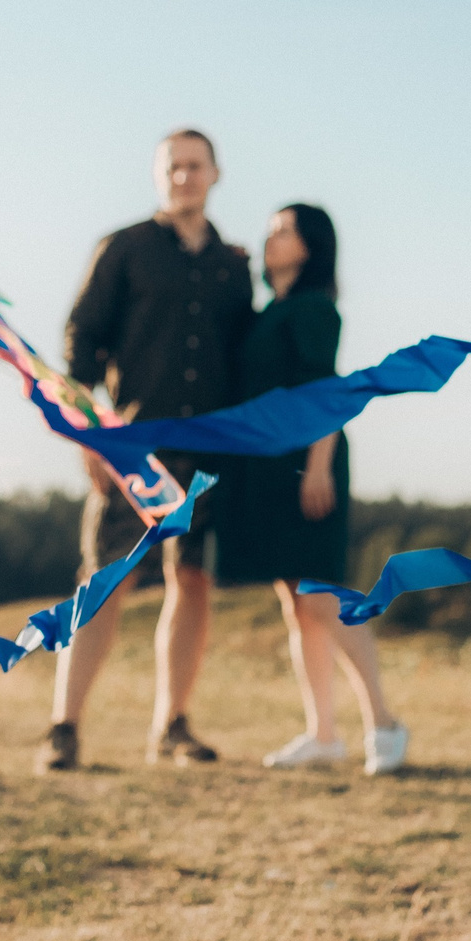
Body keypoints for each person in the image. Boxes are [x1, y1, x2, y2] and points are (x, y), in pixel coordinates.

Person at [36, 129, 256, 773]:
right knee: (104, 582)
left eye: (195, 166)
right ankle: (63, 728)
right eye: (173, 167)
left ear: (216, 172)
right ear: (159, 176)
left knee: (192, 582)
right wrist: (89, 435)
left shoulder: (233, 265)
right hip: (132, 446)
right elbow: (81, 338)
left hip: (210, 452)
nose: (184, 177)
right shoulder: (124, 248)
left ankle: (173, 726)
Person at [216, 204, 408, 775]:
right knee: (297, 606)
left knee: (323, 597)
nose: (270, 237)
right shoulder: (270, 311)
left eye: (283, 231)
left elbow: (326, 392)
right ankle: (323, 734)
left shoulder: (315, 310)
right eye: (270, 229)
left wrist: (319, 465)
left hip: (308, 462)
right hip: (269, 468)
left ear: (311, 245)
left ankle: (384, 723)